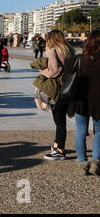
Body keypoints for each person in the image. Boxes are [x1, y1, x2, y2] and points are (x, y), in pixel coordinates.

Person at [41, 30, 75, 161]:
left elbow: (55, 71)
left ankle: (59, 149)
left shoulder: (52, 50)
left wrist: (43, 71)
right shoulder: (69, 50)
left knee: (59, 120)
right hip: (69, 88)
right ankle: (56, 145)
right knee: (61, 119)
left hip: (58, 88)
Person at [71, 30, 100, 175]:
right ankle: (95, 162)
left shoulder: (80, 59)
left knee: (81, 132)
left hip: (81, 101)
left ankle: (82, 163)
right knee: (99, 132)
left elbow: (66, 77)